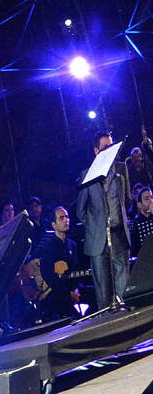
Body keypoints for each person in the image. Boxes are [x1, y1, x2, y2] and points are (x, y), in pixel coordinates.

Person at [78, 130, 132, 310]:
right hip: (97, 236)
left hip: (118, 233)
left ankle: (124, 311)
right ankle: (106, 316)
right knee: (103, 286)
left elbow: (127, 201)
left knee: (122, 277)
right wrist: (96, 225)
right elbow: (80, 211)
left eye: (112, 146)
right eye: (106, 147)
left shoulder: (120, 171)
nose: (111, 150)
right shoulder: (88, 174)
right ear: (96, 151)